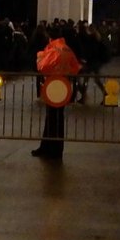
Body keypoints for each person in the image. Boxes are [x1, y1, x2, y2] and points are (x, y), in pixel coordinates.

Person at [32, 24, 82, 159]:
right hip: (63, 85)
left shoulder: (53, 49)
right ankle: (56, 148)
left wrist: (40, 56)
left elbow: (42, 67)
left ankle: (49, 148)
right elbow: (75, 68)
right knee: (58, 117)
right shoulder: (66, 49)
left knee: (51, 117)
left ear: (49, 37)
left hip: (53, 85)